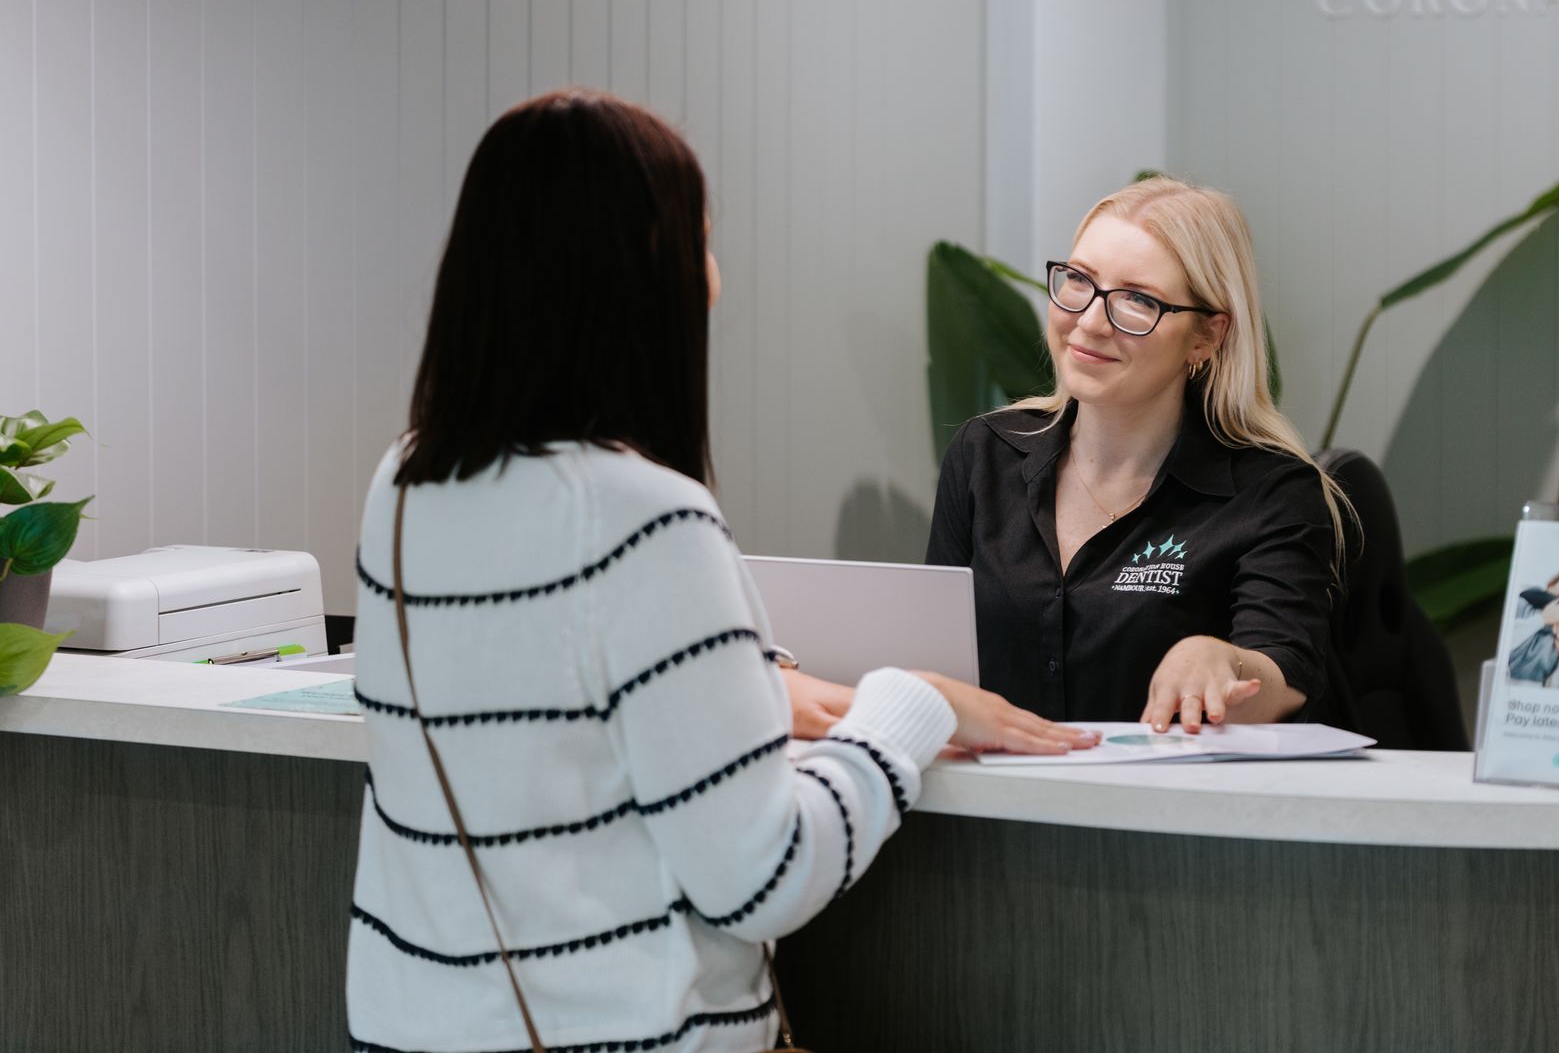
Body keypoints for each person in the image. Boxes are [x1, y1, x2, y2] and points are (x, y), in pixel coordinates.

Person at [345, 90, 1096, 1053]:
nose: (713, 277)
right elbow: (764, 875)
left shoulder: (404, 483)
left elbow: (555, 693)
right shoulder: (646, 517)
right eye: (697, 241)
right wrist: (910, 706)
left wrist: (757, 682)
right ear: (631, 278)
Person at [926, 176, 1352, 735]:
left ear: (1206, 336)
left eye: (1137, 300)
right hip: (995, 804)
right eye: (1078, 281)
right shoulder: (984, 455)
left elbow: (1286, 677)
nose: (1090, 321)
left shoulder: (1270, 492)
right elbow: (933, 651)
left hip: (1164, 810)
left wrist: (1223, 659)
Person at [1507, 569, 1559, 688]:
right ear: (1550, 586)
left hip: (1534, 701)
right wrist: (1542, 619)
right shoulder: (1519, 606)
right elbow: (1500, 647)